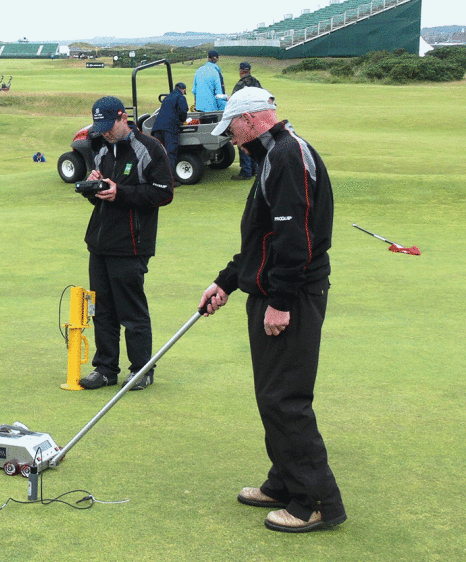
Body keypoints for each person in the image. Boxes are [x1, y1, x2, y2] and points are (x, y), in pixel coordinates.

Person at [199, 87, 347, 533]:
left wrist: (280, 302)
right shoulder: (271, 156)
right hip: (271, 291)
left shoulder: (287, 156)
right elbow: (261, 238)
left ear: (253, 120)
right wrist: (227, 281)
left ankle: (315, 501)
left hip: (293, 296)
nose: (234, 140)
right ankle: (284, 481)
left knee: (287, 398)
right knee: (272, 396)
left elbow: (294, 239)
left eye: (235, 130)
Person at [78, 96, 174, 391]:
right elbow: (100, 193)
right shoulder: (102, 148)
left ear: (123, 118)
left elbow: (163, 193)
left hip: (133, 243)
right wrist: (94, 187)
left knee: (132, 311)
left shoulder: (149, 148)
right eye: (100, 126)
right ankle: (106, 368)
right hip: (100, 242)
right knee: (102, 310)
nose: (105, 131)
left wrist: (121, 192)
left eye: (109, 125)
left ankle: (142, 369)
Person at [231, 62, 262, 181]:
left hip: (244, 119)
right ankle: (254, 169)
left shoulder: (240, 84)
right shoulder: (256, 83)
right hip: (256, 118)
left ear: (240, 71)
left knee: (243, 144)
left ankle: (246, 171)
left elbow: (234, 102)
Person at [151, 82, 188, 181]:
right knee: (170, 153)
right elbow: (183, 112)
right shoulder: (180, 97)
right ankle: (170, 180)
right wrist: (183, 120)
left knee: (159, 154)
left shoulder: (167, 98)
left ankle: (158, 178)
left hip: (157, 127)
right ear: (183, 89)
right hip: (169, 128)